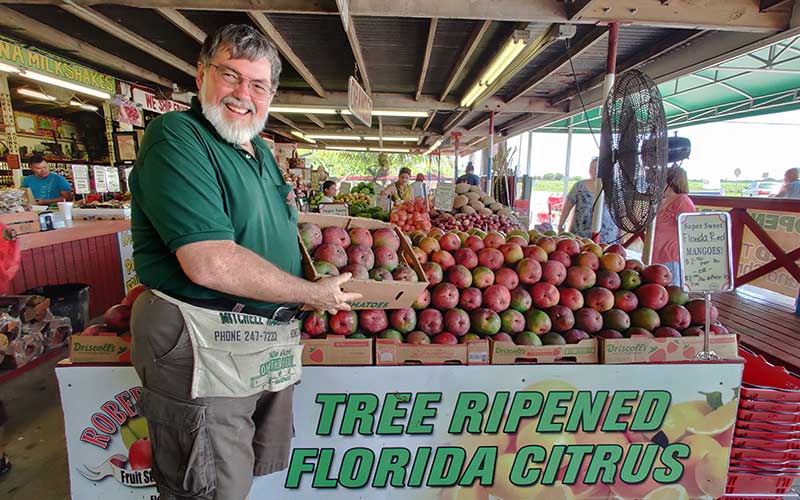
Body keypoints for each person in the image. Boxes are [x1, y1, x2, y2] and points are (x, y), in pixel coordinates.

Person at [128, 24, 360, 500]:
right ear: (200, 75)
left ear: (271, 94)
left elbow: (280, 225)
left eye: (258, 85)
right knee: (210, 485)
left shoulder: (259, 150)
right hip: (203, 341)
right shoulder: (178, 138)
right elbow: (210, 262)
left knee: (237, 472)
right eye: (230, 76)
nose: (242, 95)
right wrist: (312, 294)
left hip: (257, 340)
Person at [558, 157, 619, 243]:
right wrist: (560, 225)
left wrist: (621, 234)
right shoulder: (579, 186)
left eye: (597, 168)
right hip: (580, 237)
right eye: (592, 168)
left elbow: (620, 213)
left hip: (607, 238)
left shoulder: (614, 189)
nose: (594, 171)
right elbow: (567, 207)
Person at [652, 166, 696, 285]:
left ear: (672, 181)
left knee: (672, 290)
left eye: (662, 179)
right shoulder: (664, 199)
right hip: (656, 253)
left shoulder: (682, 201)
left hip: (670, 255)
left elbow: (690, 228)